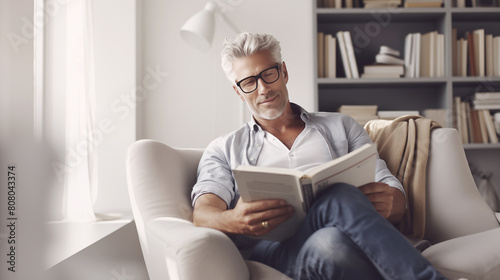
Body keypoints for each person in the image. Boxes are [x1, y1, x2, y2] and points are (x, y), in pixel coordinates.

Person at [191, 32, 446, 280]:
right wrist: (234, 220)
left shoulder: (342, 126)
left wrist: (396, 203)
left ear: (284, 72)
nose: (263, 88)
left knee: (331, 243)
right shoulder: (224, 148)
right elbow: (203, 214)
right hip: (271, 250)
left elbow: (386, 182)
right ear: (238, 91)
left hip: (339, 237)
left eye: (269, 74)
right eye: (249, 82)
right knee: (339, 197)